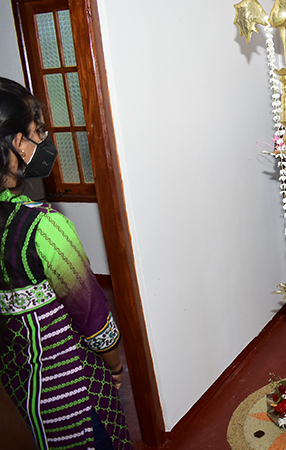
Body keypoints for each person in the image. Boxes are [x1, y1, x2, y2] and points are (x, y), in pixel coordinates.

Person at [0, 77, 132, 449]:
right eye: (38, 131)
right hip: (66, 387)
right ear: (18, 143)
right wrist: (114, 364)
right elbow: (92, 315)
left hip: (16, 386)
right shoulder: (44, 227)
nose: (44, 140)